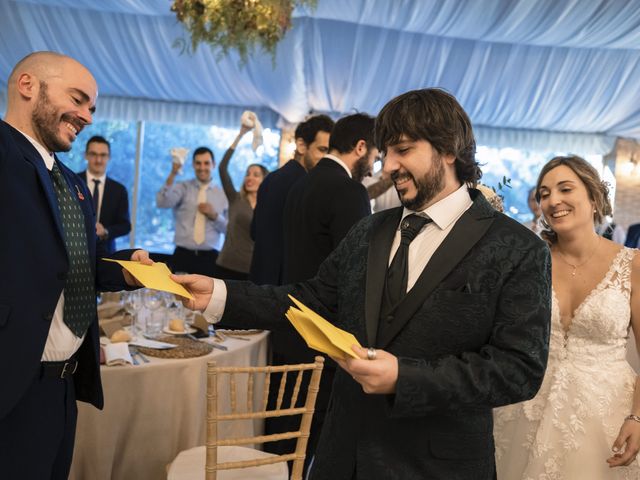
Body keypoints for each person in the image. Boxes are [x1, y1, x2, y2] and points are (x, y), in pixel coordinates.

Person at [173, 88, 551, 479]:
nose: (388, 167)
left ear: (449, 149)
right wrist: (220, 294)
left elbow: (518, 369)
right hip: (342, 456)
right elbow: (310, 299)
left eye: (402, 150)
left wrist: (406, 378)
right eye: (385, 153)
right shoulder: (369, 231)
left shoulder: (517, 249)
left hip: (434, 466)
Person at [0, 51, 150, 480]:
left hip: (64, 389)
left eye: (92, 108)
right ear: (28, 86)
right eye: (78, 99)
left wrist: (125, 269)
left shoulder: (70, 182)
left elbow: (76, 264)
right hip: (12, 383)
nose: (87, 116)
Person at [493, 155, 640, 479]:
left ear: (593, 196)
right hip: (526, 406)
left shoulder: (632, 264)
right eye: (544, 193)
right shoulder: (529, 260)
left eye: (564, 189)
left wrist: (637, 418)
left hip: (607, 413)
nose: (552, 200)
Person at [269, 113, 375, 466]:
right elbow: (356, 272)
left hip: (290, 324)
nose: (374, 164)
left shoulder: (301, 183)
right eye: (375, 154)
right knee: (310, 442)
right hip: (322, 334)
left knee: (284, 434)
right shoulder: (348, 191)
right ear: (360, 147)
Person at [248, 114, 335, 285]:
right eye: (322, 150)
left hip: (260, 279)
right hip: (283, 285)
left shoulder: (271, 178)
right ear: (301, 146)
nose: (327, 159)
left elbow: (254, 231)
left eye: (330, 152)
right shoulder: (307, 185)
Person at [157, 146, 228, 276]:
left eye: (206, 163)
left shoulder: (223, 194)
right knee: (176, 296)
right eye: (198, 163)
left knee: (207, 297)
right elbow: (162, 202)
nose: (202, 167)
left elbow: (229, 231)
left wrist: (214, 215)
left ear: (213, 164)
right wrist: (173, 173)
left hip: (210, 259)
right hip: (182, 256)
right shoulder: (182, 187)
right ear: (193, 165)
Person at [215, 124, 268, 280]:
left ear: (265, 179)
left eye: (256, 175)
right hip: (226, 265)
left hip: (253, 270)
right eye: (248, 174)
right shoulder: (235, 198)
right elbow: (222, 168)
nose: (249, 177)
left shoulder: (268, 206)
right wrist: (241, 134)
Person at [78, 135, 131, 253]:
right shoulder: (73, 182)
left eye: (103, 155)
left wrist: (106, 231)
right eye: (93, 154)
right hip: (75, 250)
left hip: (107, 252)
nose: (98, 160)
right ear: (85, 155)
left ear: (109, 157)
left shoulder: (119, 190)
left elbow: (125, 226)